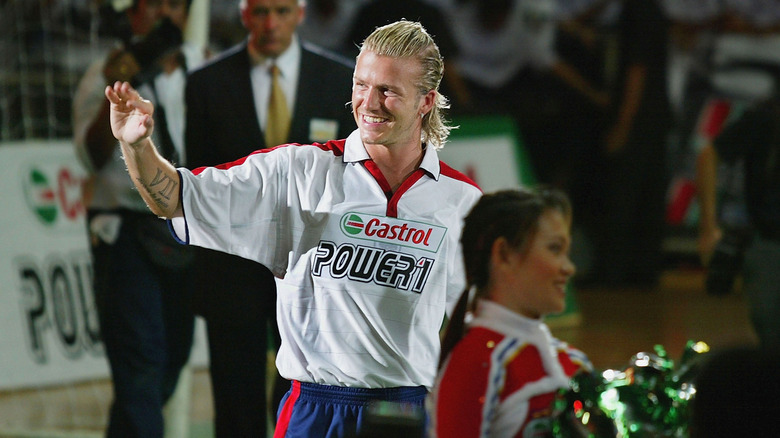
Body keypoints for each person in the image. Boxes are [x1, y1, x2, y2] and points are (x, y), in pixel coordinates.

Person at [105, 20, 482, 438]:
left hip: (408, 413)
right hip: (314, 411)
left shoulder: (461, 203)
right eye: (360, 85)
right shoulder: (297, 172)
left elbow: (481, 325)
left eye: (388, 90)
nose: (368, 103)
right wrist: (136, 145)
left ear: (427, 101)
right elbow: (175, 199)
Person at [183, 0, 356, 435]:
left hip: (313, 267)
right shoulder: (206, 83)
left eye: (281, 10)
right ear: (243, 15)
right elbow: (201, 181)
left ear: (300, 13)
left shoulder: (340, 80)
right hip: (232, 263)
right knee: (234, 396)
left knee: (304, 392)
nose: (271, 23)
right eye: (260, 11)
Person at [71, 0, 204, 436]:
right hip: (124, 230)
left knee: (174, 355)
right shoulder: (105, 76)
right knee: (141, 359)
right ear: (133, 15)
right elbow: (90, 156)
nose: (165, 15)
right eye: (153, 5)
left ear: (187, 16)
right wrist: (118, 101)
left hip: (185, 229)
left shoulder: (202, 71)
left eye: (175, 6)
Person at [428, 187, 592, 437]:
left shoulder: (573, 361)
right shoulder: (478, 362)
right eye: (555, 249)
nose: (568, 268)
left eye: (566, 252)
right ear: (503, 254)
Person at [697, 92, 780, 350]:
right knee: (770, 332)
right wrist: (709, 227)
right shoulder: (766, 118)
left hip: (766, 244)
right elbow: (709, 155)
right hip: (768, 242)